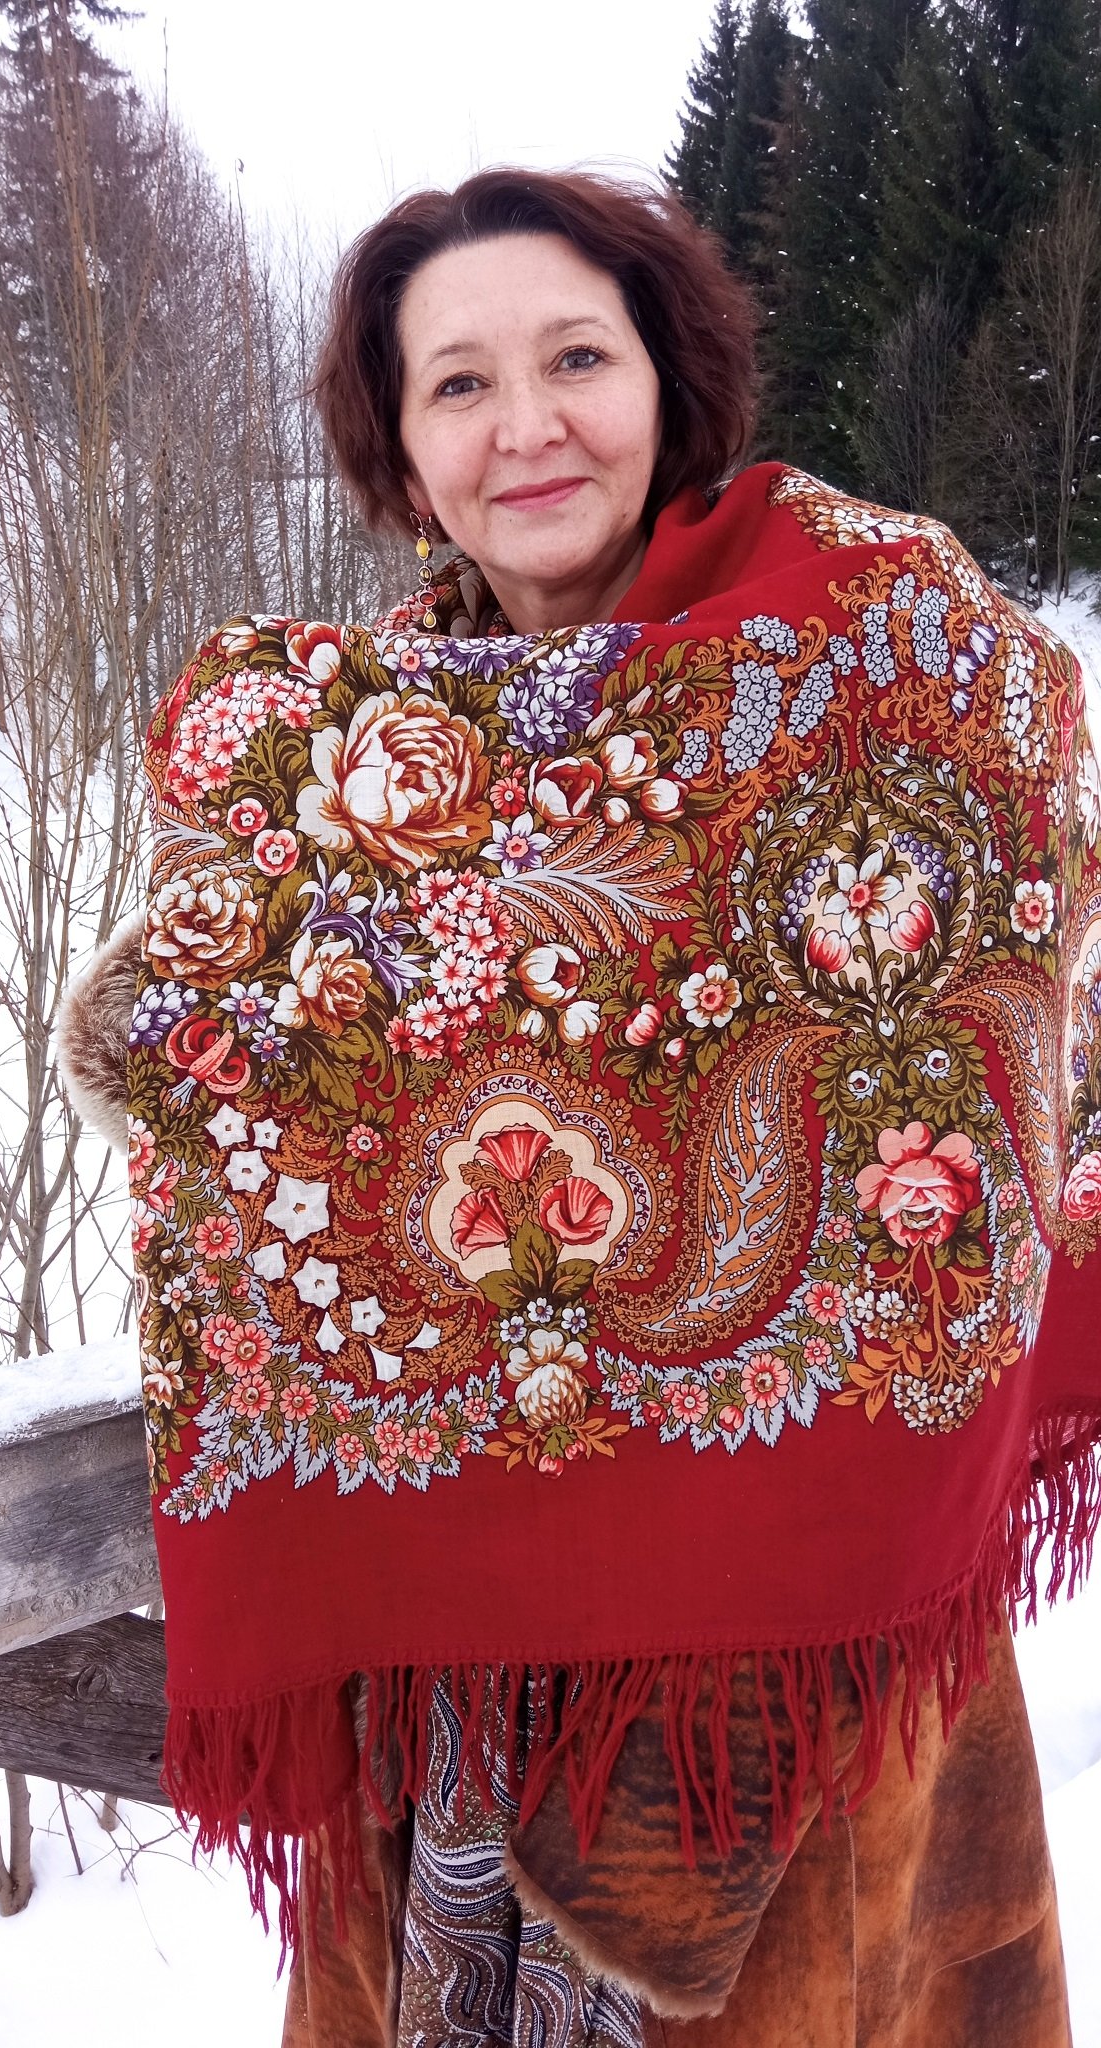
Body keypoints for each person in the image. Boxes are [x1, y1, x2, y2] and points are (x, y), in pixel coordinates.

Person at [58, 169, 1101, 2047]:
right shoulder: (350, 767)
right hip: (457, 1666)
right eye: (457, 384)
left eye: (575, 359)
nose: (526, 424)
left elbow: (1005, 949)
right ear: (400, 450)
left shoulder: (877, 638)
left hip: (818, 1653)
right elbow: (261, 1087)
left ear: (667, 383)